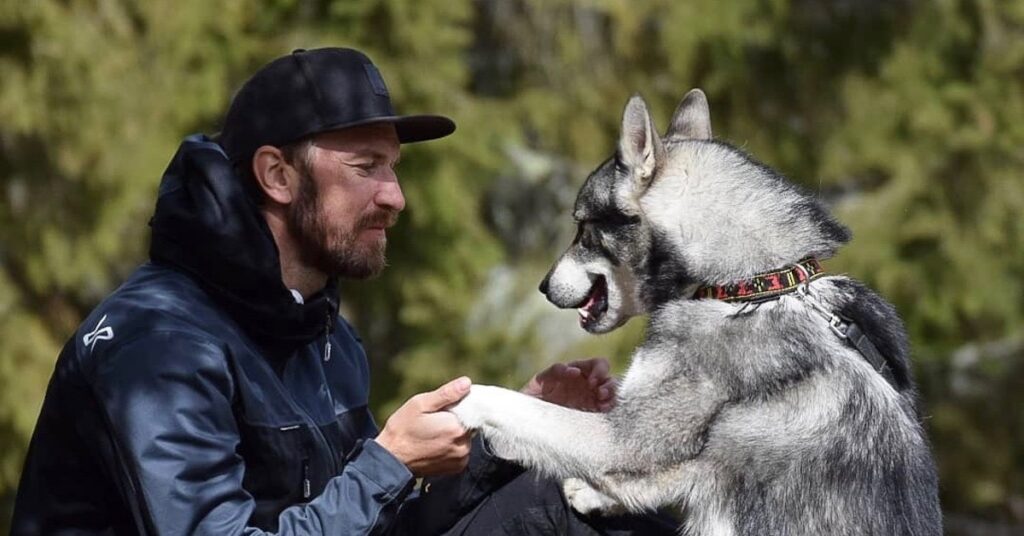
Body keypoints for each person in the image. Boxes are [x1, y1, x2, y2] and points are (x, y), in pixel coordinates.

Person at [12, 47, 674, 535]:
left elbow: (376, 526)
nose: (396, 197)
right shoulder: (157, 344)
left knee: (586, 489)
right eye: (366, 168)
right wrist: (388, 464)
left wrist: (513, 432)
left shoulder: (318, 329)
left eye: (393, 168)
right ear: (277, 175)